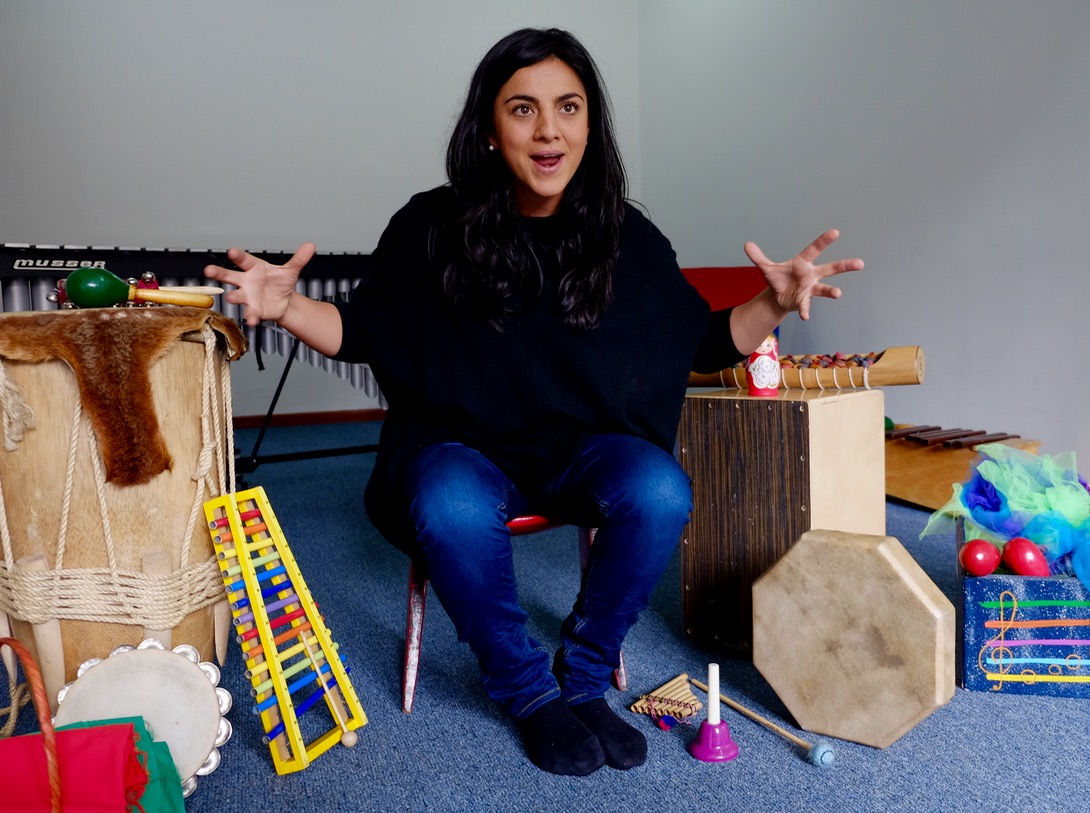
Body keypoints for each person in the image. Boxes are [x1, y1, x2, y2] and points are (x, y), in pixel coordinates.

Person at [204, 27, 862, 776]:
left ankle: (583, 676)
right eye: (523, 109)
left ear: (590, 124)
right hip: (460, 448)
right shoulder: (430, 224)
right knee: (449, 503)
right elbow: (362, 332)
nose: (549, 129)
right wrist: (287, 307)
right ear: (489, 129)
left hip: (579, 450)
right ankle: (526, 691)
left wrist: (772, 302)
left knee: (658, 489)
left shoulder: (624, 232)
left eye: (568, 107)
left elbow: (700, 343)